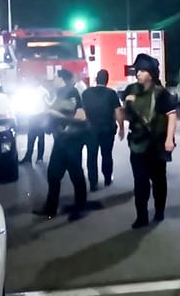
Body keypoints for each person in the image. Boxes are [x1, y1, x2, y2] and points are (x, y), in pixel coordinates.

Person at [124, 54, 178, 228]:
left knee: (159, 180)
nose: (138, 73)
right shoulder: (131, 89)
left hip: (157, 144)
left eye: (143, 70)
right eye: (137, 70)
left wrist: (169, 139)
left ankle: (159, 210)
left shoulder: (161, 93)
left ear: (152, 73)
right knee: (140, 181)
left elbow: (172, 116)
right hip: (138, 144)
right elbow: (126, 114)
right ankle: (141, 216)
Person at [34, 69, 89, 220]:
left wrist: (52, 112)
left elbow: (74, 114)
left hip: (72, 140)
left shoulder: (71, 92)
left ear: (62, 79)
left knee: (76, 174)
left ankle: (80, 207)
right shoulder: (59, 93)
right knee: (53, 174)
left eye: (56, 77)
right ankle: (50, 208)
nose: (53, 80)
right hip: (61, 140)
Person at [82, 69, 125, 191]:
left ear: (96, 79)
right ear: (107, 80)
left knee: (92, 155)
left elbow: (82, 111)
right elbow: (118, 112)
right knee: (106, 154)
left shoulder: (86, 93)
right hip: (107, 129)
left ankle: (93, 182)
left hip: (90, 129)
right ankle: (107, 179)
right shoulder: (111, 93)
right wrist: (121, 128)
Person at [20, 79, 52, 165]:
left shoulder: (44, 92)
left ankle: (39, 158)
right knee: (30, 138)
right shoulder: (31, 91)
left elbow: (48, 105)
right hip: (32, 116)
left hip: (40, 117)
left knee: (40, 138)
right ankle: (28, 157)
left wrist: (46, 118)